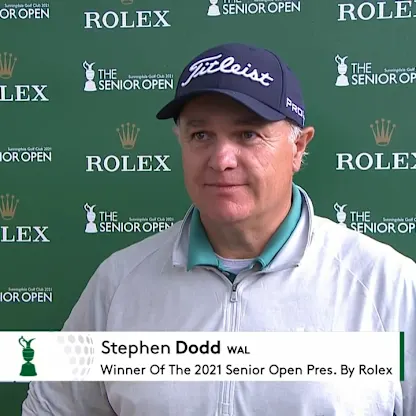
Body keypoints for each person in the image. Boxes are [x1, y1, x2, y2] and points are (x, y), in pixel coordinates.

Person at [21, 42, 415, 415]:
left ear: (298, 148)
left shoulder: (385, 284)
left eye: (248, 134)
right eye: (201, 135)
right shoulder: (119, 282)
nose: (221, 159)